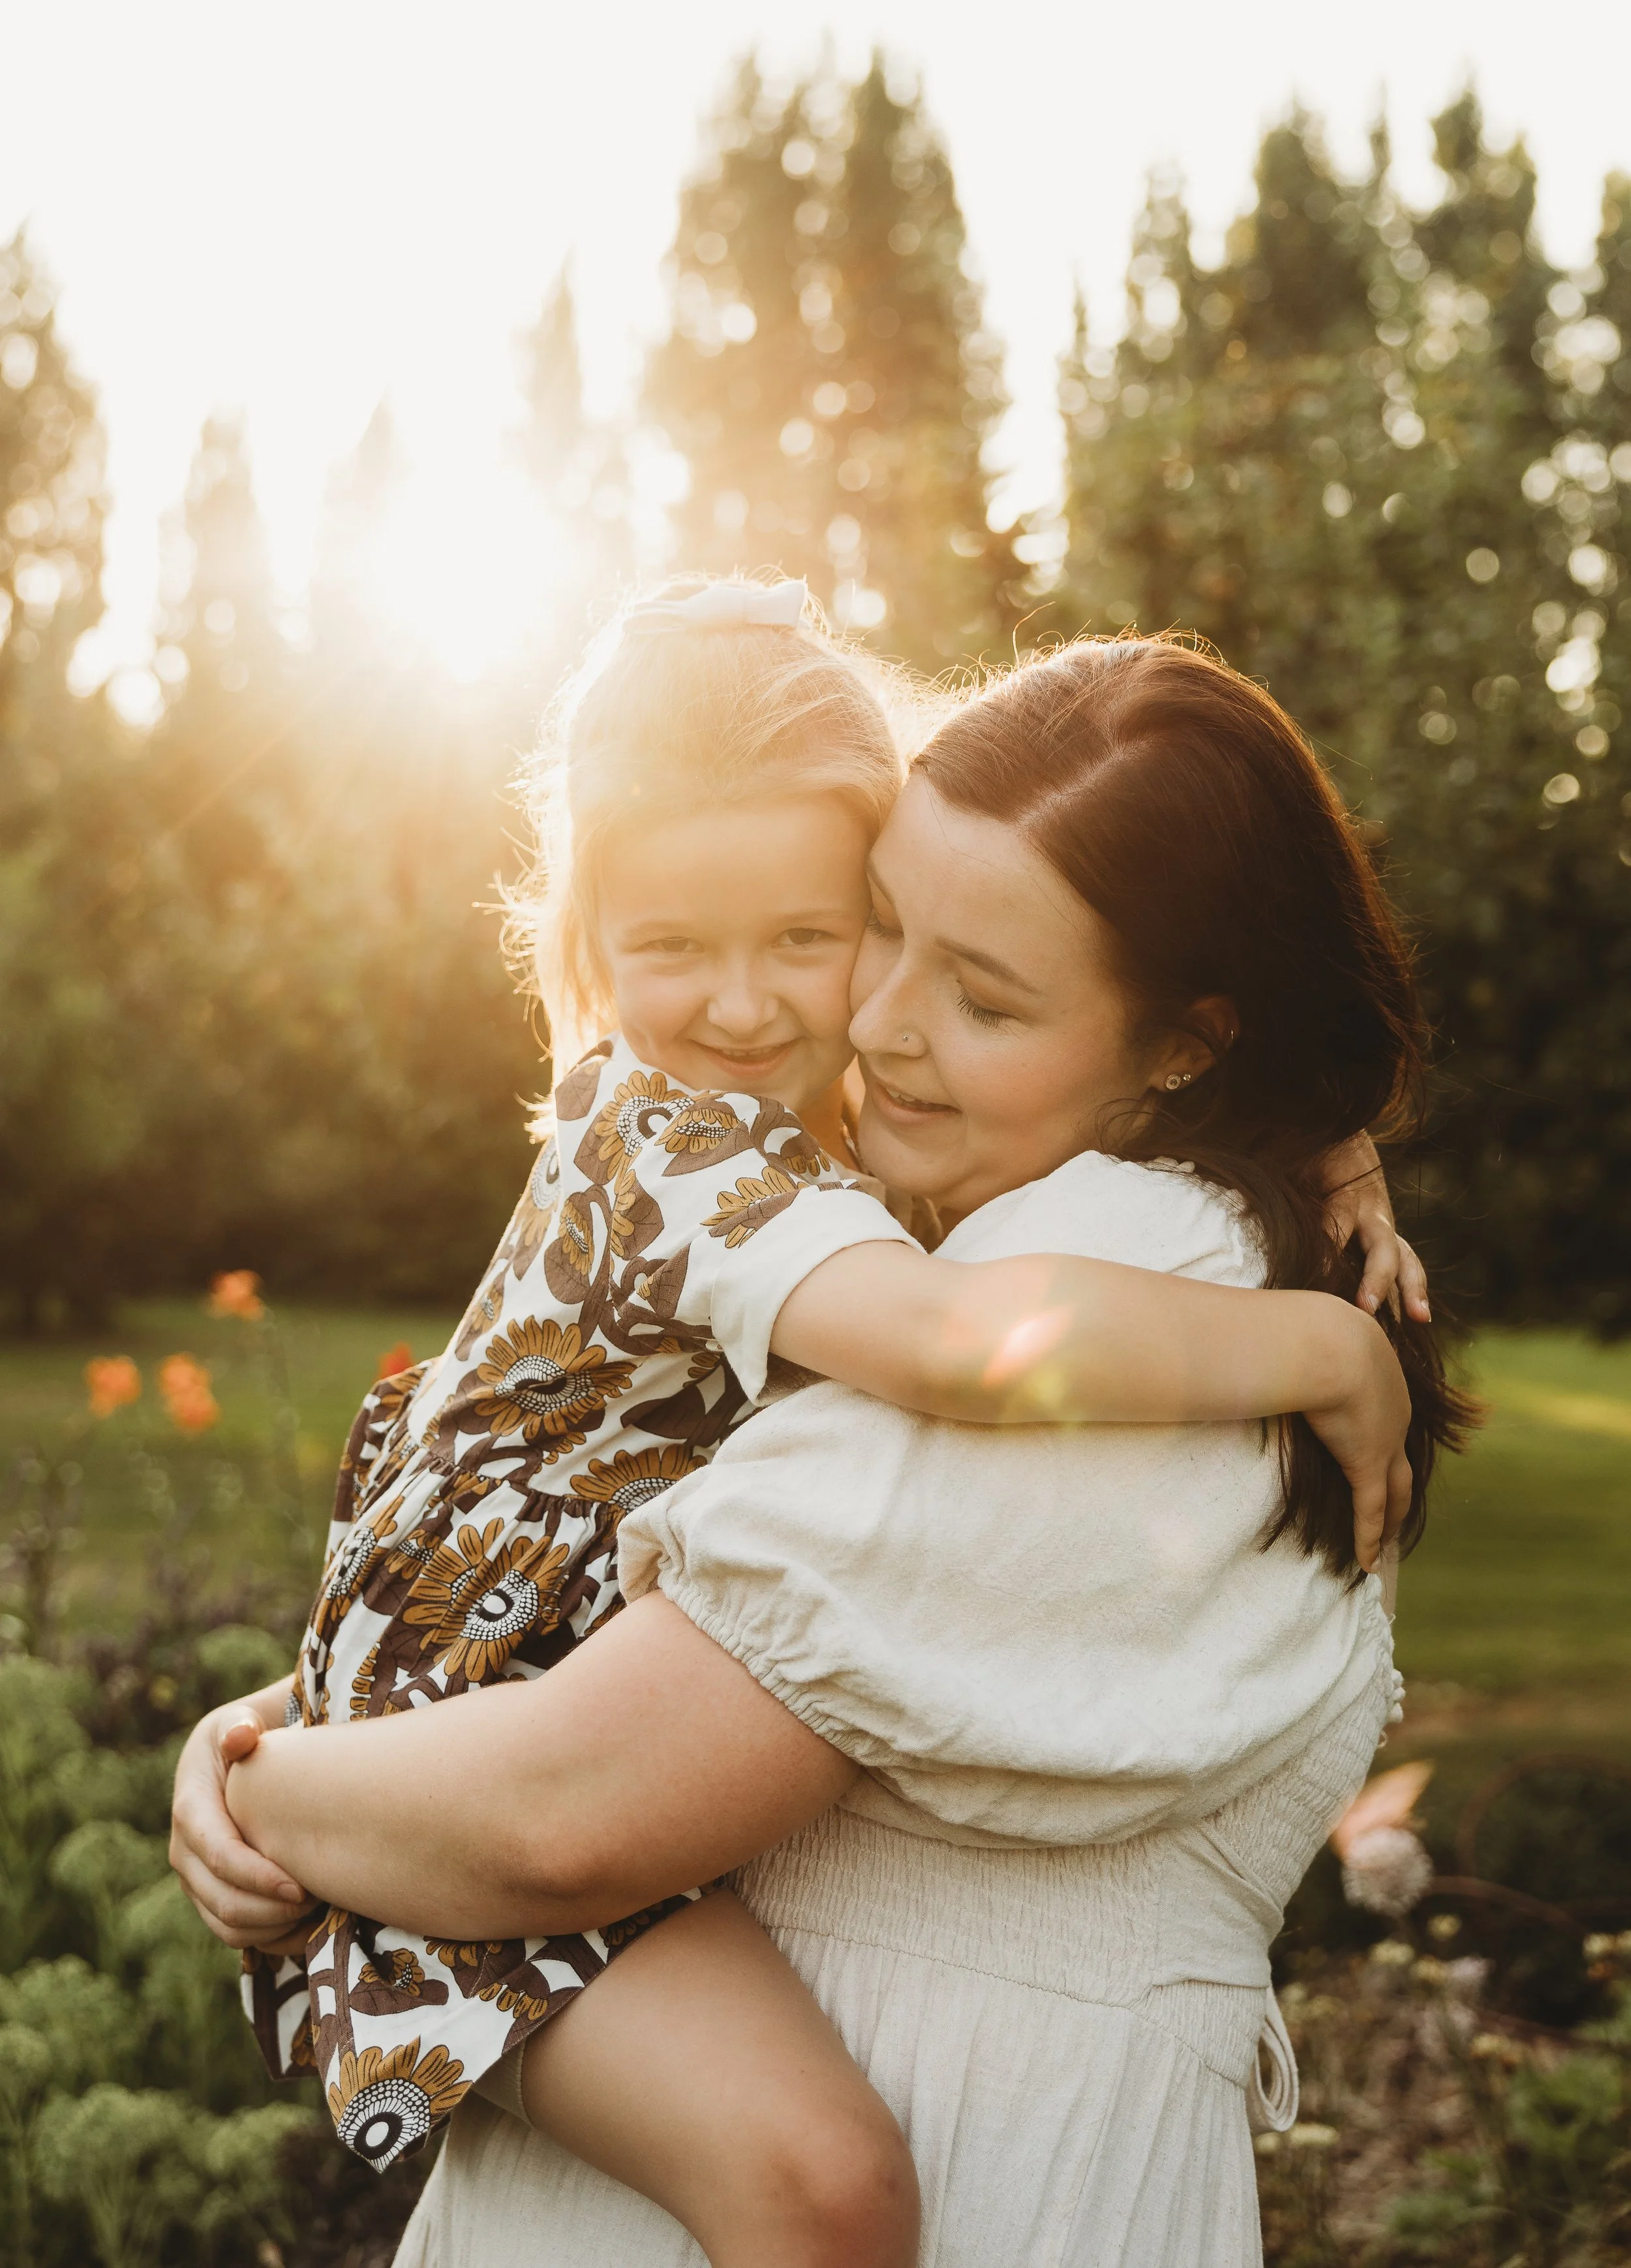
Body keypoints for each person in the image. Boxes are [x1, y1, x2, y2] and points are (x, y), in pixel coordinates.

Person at [174, 622, 1451, 2268]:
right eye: (893, 937)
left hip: (503, 1757)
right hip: (460, 1727)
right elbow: (952, 1347)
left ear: (1187, 1040)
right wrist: (1316, 1338)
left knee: (822, 2189)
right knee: (816, 2186)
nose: (866, 1022)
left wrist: (1330, 1138)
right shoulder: (713, 1148)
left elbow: (574, 1766)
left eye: (827, 932)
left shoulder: (1048, 1209)